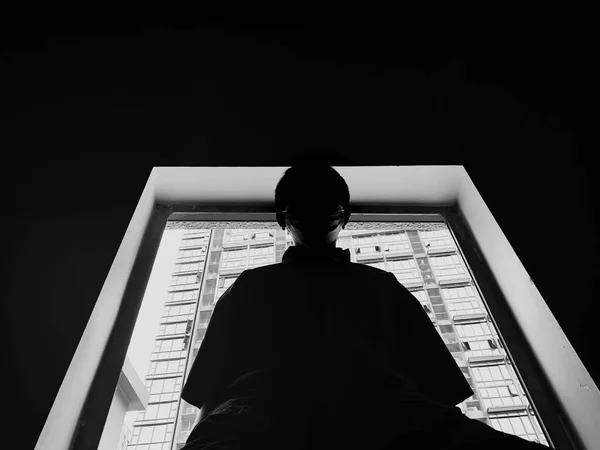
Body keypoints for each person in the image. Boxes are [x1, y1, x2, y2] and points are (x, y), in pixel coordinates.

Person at [179, 161, 549, 449]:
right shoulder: (251, 286)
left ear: (344, 216)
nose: (316, 214)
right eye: (304, 204)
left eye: (325, 204)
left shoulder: (380, 285)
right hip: (262, 415)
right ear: (282, 220)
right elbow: (212, 396)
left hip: (380, 412)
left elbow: (438, 399)